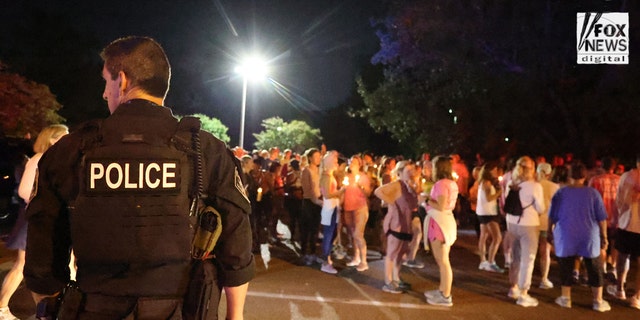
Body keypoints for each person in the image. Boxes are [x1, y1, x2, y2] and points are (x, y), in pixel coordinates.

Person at [24, 36, 254, 319]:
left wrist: (53, 307)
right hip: (183, 309)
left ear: (121, 80)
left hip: (92, 308)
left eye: (106, 82)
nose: (104, 94)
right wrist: (236, 315)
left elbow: (41, 256)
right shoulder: (206, 150)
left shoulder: (71, 150)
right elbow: (237, 244)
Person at [0, 125, 68, 320]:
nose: (67, 140)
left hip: (41, 219)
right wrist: (44, 202)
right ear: (52, 139)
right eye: (63, 137)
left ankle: (52, 308)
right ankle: (2, 307)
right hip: (32, 220)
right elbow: (24, 191)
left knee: (39, 265)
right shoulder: (39, 159)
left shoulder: (51, 159)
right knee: (21, 265)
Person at [548, 162, 611, 312]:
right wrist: (604, 236)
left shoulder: (561, 193)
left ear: (569, 176)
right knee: (594, 266)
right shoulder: (593, 193)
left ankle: (566, 298)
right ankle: (598, 300)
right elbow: (601, 218)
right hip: (589, 234)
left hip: (566, 233)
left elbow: (552, 216)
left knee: (566, 266)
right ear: (585, 176)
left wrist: (550, 232)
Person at [505, 156, 545, 307]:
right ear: (532, 169)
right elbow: (541, 208)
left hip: (512, 224)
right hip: (529, 224)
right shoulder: (535, 186)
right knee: (528, 258)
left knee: (515, 257)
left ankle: (513, 287)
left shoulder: (511, 183)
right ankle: (523, 293)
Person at [375, 160, 420, 294]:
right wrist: (392, 203)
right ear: (399, 173)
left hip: (405, 223)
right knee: (392, 252)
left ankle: (396, 278)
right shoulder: (397, 184)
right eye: (408, 172)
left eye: (412, 171)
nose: (411, 174)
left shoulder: (409, 186)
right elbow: (378, 191)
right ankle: (388, 281)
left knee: (400, 253)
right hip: (396, 222)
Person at [423, 156, 459, 307]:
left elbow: (441, 205)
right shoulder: (452, 183)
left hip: (439, 223)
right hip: (445, 221)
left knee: (443, 261)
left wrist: (426, 200)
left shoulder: (441, 184)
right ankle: (442, 290)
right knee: (443, 261)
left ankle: (445, 295)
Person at [608, 154, 640, 309]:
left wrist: (616, 218)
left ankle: (620, 288)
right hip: (631, 223)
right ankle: (637, 297)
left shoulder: (627, 176)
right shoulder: (628, 176)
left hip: (626, 223)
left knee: (623, 255)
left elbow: (619, 200)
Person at [588, 157, 620, 279]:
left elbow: (590, 198)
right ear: (614, 167)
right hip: (616, 217)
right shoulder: (620, 180)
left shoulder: (595, 180)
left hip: (599, 217)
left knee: (602, 243)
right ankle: (613, 266)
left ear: (601, 166)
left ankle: (602, 268)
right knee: (614, 243)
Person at [343, 155, 371, 272]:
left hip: (360, 208)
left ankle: (364, 261)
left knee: (358, 234)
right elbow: (343, 191)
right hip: (348, 208)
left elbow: (368, 193)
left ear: (359, 165)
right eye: (350, 162)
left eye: (354, 162)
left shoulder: (363, 177)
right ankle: (356, 257)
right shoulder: (347, 177)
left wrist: (361, 186)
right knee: (352, 233)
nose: (351, 164)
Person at [318, 151, 346, 274]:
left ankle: (327, 258)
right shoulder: (326, 176)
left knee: (332, 234)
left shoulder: (330, 175)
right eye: (334, 161)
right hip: (329, 209)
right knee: (328, 236)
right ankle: (325, 261)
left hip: (333, 207)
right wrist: (340, 192)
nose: (336, 163)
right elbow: (327, 194)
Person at [476, 161, 504, 273]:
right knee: (497, 237)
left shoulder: (483, 182)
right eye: (495, 170)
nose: (496, 172)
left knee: (484, 236)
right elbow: (489, 198)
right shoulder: (487, 183)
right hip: (488, 213)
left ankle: (483, 261)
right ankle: (491, 261)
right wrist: (499, 192)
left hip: (483, 212)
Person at [536, 162, 559, 289]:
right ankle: (544, 278)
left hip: (533, 221)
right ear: (549, 174)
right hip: (547, 222)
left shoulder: (534, 185)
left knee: (530, 250)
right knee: (545, 251)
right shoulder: (554, 187)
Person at [300, 148, 323, 266]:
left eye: (320, 156)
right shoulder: (306, 171)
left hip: (318, 203)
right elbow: (307, 190)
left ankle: (313, 253)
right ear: (310, 158)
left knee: (315, 229)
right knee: (307, 229)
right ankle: (304, 253)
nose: (319, 159)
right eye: (316, 156)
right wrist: (317, 201)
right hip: (309, 203)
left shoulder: (319, 171)